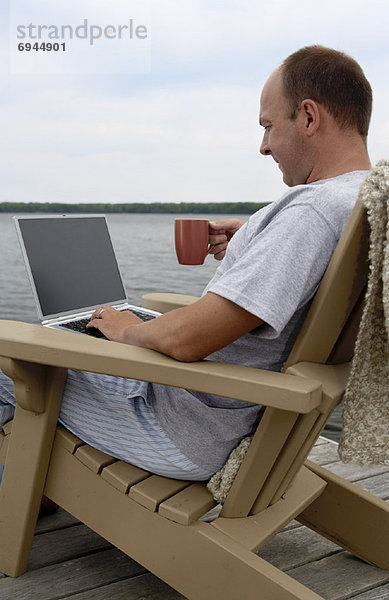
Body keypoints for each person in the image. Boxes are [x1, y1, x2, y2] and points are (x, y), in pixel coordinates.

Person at [0, 45, 372, 482]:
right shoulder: (358, 198)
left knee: (11, 360)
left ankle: (20, 497)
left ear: (309, 117)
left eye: (269, 126)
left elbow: (191, 341)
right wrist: (253, 244)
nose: (264, 146)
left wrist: (126, 330)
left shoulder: (311, 211)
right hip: (223, 411)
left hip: (183, 426)